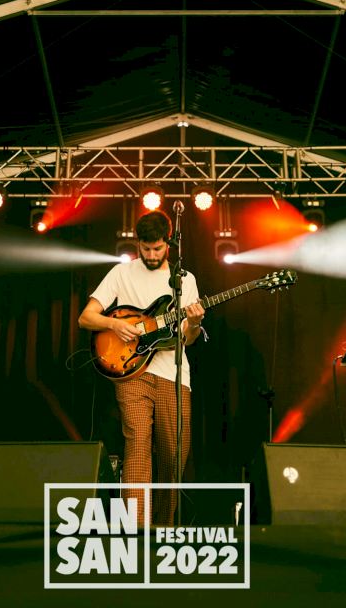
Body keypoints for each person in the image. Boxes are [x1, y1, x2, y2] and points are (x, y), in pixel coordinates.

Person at [79, 210, 205, 526]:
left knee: (175, 453)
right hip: (132, 372)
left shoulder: (184, 280)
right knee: (137, 443)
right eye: (145, 248)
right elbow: (86, 317)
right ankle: (135, 526)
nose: (150, 255)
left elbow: (186, 339)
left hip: (174, 374)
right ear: (138, 243)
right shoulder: (121, 273)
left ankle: (163, 525)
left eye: (157, 248)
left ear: (169, 244)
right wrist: (114, 325)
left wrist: (194, 323)